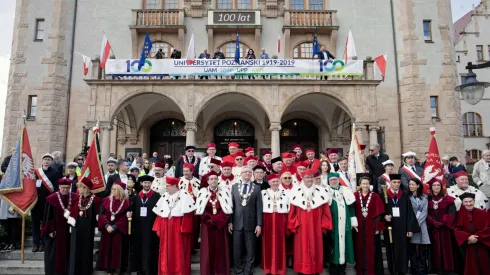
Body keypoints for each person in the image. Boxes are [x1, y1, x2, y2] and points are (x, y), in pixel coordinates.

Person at [288, 169, 332, 274]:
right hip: (301, 226)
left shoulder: (321, 191)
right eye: (307, 177)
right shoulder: (295, 191)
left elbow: (326, 211)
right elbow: (292, 212)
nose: (309, 179)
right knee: (301, 248)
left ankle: (315, 269)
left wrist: (324, 225)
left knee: (315, 247)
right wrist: (294, 224)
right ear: (303, 178)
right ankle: (301, 269)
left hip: (316, 226)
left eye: (311, 177)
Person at [152, 176, 195, 275]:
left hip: (178, 227)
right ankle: (165, 271)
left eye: (167, 186)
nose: (166, 188)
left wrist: (184, 229)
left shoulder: (185, 195)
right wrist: (159, 228)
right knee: (165, 250)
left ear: (174, 186)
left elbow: (188, 215)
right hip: (166, 226)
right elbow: (160, 214)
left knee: (178, 251)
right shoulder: (165, 195)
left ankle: (179, 271)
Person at [196, 171, 233, 275]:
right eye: (211, 179)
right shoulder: (202, 192)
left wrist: (217, 220)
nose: (213, 181)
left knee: (221, 249)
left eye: (215, 179)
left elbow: (227, 209)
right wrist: (210, 220)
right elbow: (200, 210)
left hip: (221, 225)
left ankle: (220, 271)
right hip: (207, 225)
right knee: (207, 249)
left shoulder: (225, 191)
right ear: (207, 181)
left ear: (218, 180)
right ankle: (208, 271)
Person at [228, 166, 263, 275]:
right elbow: (231, 206)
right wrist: (230, 221)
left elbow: (259, 207)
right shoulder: (234, 187)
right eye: (244, 172)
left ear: (251, 174)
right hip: (236, 223)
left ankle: (248, 271)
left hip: (251, 223)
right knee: (237, 249)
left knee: (250, 249)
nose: (247, 173)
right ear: (241, 174)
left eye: (249, 172)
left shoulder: (256, 188)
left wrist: (259, 224)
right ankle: (238, 270)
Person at [383, 174, 420, 275]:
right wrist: (384, 216)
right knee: (391, 248)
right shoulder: (384, 195)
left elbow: (410, 214)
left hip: (403, 228)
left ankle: (402, 270)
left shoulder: (404, 196)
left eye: (398, 182)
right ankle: (392, 270)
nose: (396, 184)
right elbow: (381, 211)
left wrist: (410, 229)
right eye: (394, 182)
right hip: (390, 228)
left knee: (403, 250)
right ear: (390, 183)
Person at [42, 178, 79, 275]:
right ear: (59, 187)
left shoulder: (75, 197)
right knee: (55, 254)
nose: (65, 190)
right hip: (56, 232)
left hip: (70, 230)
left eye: (67, 188)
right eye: (63, 188)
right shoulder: (52, 198)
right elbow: (47, 216)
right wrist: (50, 230)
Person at [325, 172, 358, 275]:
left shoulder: (346, 191)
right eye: (331, 180)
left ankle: (342, 268)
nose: (333, 181)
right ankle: (333, 268)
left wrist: (353, 222)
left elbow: (351, 208)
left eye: (335, 179)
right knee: (333, 246)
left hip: (345, 224)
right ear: (328, 181)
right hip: (333, 225)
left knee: (345, 245)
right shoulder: (326, 192)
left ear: (338, 180)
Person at [353, 175, 385, 275]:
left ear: (369, 184)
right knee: (359, 248)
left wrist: (377, 227)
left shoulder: (375, 196)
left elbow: (379, 213)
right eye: (363, 183)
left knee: (372, 249)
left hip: (371, 226)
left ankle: (371, 270)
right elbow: (351, 211)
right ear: (360, 184)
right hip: (359, 227)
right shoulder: (354, 195)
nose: (365, 185)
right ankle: (360, 270)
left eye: (367, 183)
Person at [96, 181, 130, 274]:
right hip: (107, 229)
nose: (113, 191)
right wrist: (107, 225)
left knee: (117, 250)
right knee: (107, 249)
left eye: (115, 189)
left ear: (120, 190)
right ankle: (108, 269)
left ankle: (116, 269)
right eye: (112, 189)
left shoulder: (126, 202)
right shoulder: (106, 200)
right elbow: (101, 214)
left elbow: (125, 217)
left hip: (118, 230)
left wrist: (115, 226)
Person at [130, 175, 160, 275]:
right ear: (141, 184)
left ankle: (151, 270)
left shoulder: (157, 196)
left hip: (151, 228)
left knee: (151, 248)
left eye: (148, 183)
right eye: (145, 183)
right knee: (140, 249)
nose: (147, 185)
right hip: (139, 229)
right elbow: (132, 212)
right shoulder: (136, 197)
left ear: (151, 184)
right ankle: (141, 269)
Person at [69, 177, 101, 275]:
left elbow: (98, 215)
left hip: (88, 228)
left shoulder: (95, 199)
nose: (78, 189)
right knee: (75, 249)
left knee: (86, 249)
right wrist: (71, 222)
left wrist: (96, 226)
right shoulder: (77, 198)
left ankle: (86, 271)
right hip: (76, 228)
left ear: (86, 188)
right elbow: (72, 212)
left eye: (80, 188)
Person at [454, 192, 490, 275]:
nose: (468, 204)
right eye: (466, 202)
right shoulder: (458, 214)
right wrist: (468, 237)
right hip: (467, 245)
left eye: (470, 201)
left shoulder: (484, 213)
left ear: (474, 201)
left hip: (482, 244)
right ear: (462, 203)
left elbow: (488, 228)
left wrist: (477, 237)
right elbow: (456, 229)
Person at [260, 174, 289, 275]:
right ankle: (268, 268)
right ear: (269, 183)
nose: (275, 183)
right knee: (267, 243)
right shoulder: (263, 193)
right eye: (273, 181)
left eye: (277, 181)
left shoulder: (285, 193)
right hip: (267, 219)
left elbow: (288, 207)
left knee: (280, 243)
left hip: (281, 219)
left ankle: (279, 268)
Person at [427, 179, 457, 275]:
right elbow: (425, 213)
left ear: (441, 187)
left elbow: (452, 214)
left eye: (438, 185)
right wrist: (433, 222)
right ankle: (437, 268)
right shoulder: (427, 199)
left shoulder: (449, 199)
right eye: (434, 185)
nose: (436, 187)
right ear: (431, 187)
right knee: (435, 248)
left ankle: (448, 268)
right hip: (433, 229)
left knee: (446, 247)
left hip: (446, 229)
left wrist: (443, 222)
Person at [33, 153, 61, 253]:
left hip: (47, 202)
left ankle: (43, 243)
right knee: (35, 223)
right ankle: (36, 243)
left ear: (51, 161)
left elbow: (57, 187)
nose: (47, 161)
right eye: (45, 159)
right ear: (42, 160)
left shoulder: (55, 172)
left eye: (49, 159)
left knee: (45, 223)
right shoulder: (36, 172)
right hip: (36, 202)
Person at [408, 178, 430, 275]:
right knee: (412, 250)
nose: (411, 186)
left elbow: (424, 212)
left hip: (421, 225)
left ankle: (422, 270)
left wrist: (417, 223)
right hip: (411, 226)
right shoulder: (407, 197)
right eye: (410, 185)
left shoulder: (424, 197)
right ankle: (414, 270)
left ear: (418, 185)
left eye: (413, 184)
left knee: (421, 250)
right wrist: (412, 225)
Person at [179, 163, 201, 252]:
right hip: (183, 208)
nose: (185, 173)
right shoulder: (179, 181)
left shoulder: (197, 182)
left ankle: (192, 247)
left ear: (192, 172)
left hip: (194, 208)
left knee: (194, 227)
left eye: (187, 171)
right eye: (184, 171)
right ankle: (184, 246)